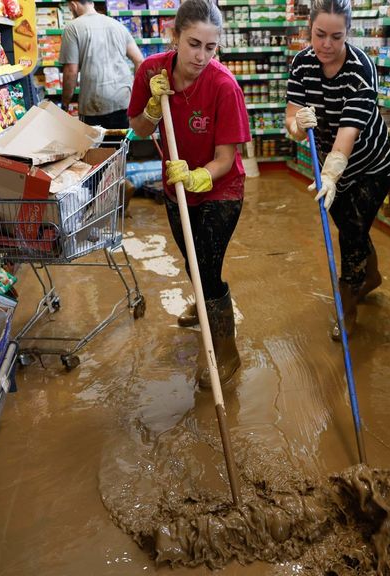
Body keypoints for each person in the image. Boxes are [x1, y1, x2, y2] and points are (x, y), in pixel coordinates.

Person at [127, 0, 250, 387]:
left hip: (221, 189)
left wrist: (199, 177)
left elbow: (226, 159)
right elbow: (139, 130)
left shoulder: (223, 85)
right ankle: (202, 302)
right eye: (194, 44)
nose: (201, 56)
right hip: (175, 186)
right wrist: (151, 108)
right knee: (191, 259)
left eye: (210, 48)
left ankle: (226, 351)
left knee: (208, 268)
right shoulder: (151, 72)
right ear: (174, 36)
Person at [286, 0, 390, 340]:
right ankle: (372, 277)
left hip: (370, 165)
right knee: (353, 228)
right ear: (309, 30)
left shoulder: (361, 69)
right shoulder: (301, 64)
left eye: (336, 36)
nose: (327, 45)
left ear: (348, 33)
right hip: (331, 168)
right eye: (319, 35)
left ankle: (347, 309)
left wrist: (332, 173)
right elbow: (291, 117)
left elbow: (349, 130)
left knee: (350, 235)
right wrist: (297, 126)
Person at [60, 0, 144, 129]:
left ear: (73, 5)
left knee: (95, 148)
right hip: (123, 100)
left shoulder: (72, 28)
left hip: (94, 104)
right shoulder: (117, 25)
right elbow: (139, 60)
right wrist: (137, 93)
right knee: (120, 146)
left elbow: (71, 71)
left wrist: (65, 103)